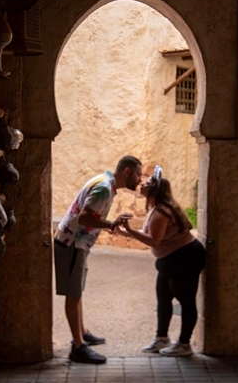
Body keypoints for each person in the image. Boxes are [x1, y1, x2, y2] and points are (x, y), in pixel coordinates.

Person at [54, 155, 143, 364]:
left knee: (77, 292)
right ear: (127, 172)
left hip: (76, 242)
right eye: (138, 174)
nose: (140, 179)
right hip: (72, 243)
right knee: (73, 294)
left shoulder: (105, 183)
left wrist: (110, 224)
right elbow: (83, 218)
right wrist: (111, 224)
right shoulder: (104, 188)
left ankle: (82, 333)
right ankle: (78, 347)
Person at [118, 167, 206, 357]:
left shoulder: (160, 212)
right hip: (172, 259)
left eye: (147, 183)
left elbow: (153, 240)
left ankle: (184, 344)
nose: (142, 183)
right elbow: (149, 235)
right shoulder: (155, 209)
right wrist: (124, 232)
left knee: (186, 300)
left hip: (185, 258)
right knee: (164, 299)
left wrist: (129, 230)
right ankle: (162, 338)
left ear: (155, 190)